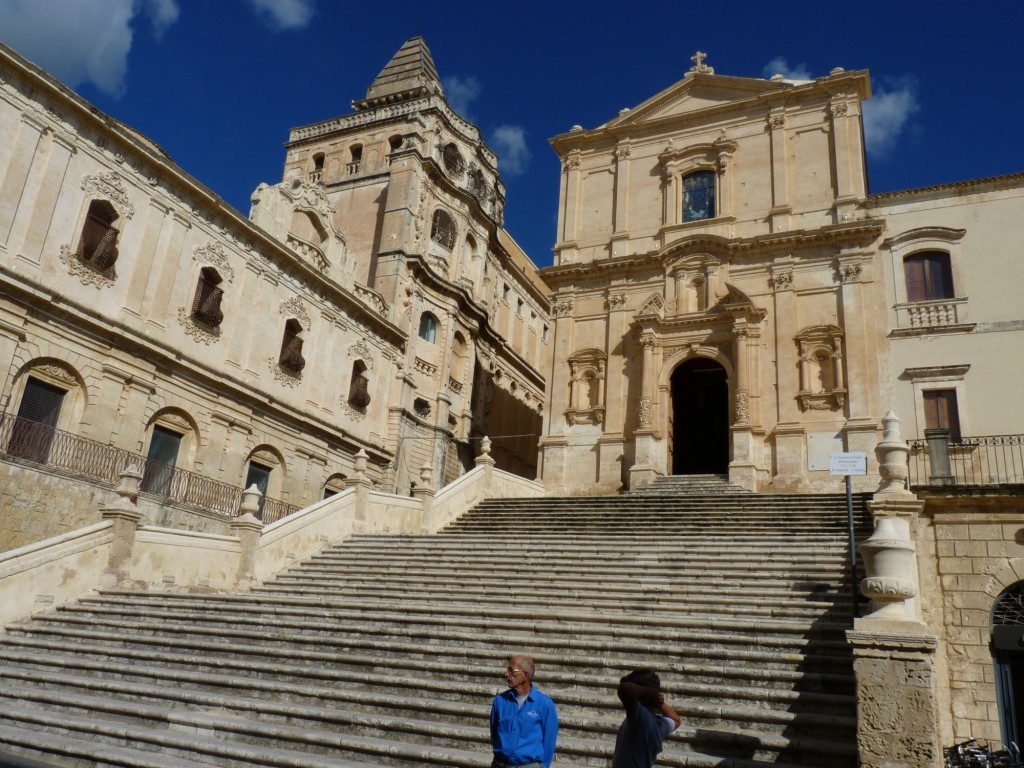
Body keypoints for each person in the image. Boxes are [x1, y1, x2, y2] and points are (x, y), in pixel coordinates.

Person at [489, 654, 558, 768]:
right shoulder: (500, 701)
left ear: (525, 675)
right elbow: (494, 733)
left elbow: (549, 741)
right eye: (507, 670)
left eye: (511, 671)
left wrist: (542, 766)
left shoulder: (544, 704)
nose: (506, 674)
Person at [611, 669, 681, 768]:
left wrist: (650, 694)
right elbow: (676, 720)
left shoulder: (640, 718)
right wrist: (659, 702)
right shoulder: (659, 724)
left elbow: (625, 688)